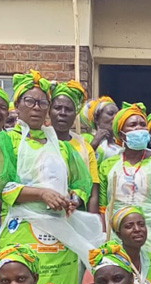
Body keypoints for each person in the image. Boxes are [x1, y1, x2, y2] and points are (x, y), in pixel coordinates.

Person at [0, 70, 103, 284]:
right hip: (22, 232)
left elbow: (82, 182)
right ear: (17, 105)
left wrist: (73, 199)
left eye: (42, 102)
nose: (37, 108)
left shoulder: (63, 147)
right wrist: (41, 194)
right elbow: (0, 184)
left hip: (61, 235)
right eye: (29, 101)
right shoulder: (5, 141)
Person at [98, 102, 151, 266]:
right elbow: (102, 207)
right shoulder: (108, 165)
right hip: (116, 236)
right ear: (121, 135)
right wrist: (103, 235)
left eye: (142, 125)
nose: (139, 129)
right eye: (133, 125)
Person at [49, 80, 101, 213]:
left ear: (75, 114)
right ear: (49, 110)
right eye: (57, 108)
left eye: (68, 109)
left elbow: (93, 192)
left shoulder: (84, 147)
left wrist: (92, 225)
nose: (62, 113)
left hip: (75, 215)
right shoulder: (38, 141)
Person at [81, 95, 120, 165]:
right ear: (96, 119)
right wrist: (94, 143)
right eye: (110, 114)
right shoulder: (84, 139)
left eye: (117, 114)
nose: (115, 117)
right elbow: (79, 163)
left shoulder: (120, 142)